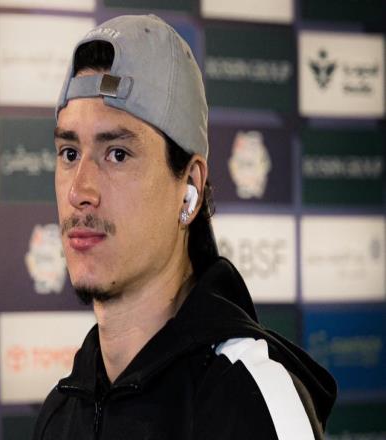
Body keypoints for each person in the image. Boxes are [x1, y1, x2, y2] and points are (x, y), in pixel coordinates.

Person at [33, 14, 336, 440]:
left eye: (117, 154)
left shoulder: (249, 400)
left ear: (189, 187)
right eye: (69, 153)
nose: (79, 190)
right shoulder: (61, 411)